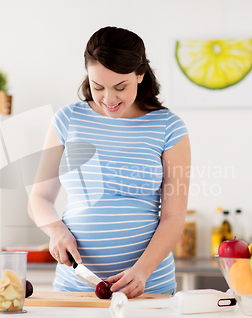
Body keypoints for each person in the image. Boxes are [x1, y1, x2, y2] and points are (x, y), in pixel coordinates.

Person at [28, 26, 191, 298]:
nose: (109, 99)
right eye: (98, 86)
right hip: (76, 286)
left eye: (120, 87)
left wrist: (142, 271)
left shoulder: (168, 127)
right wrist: (56, 230)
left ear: (140, 75)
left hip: (148, 286)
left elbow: (174, 217)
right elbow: (39, 198)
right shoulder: (68, 120)